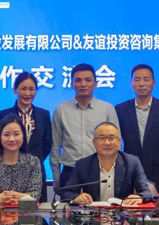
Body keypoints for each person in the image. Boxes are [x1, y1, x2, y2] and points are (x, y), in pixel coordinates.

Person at [115, 64, 159, 202]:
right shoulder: (121, 109)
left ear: (153, 83)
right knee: (131, 209)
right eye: (137, 79)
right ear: (131, 83)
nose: (141, 84)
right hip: (130, 172)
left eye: (146, 79)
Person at [51, 63, 120, 191]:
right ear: (71, 84)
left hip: (100, 171)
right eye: (78, 80)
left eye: (88, 80)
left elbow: (116, 144)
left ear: (95, 84)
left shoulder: (107, 109)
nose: (83, 84)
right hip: (70, 171)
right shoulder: (61, 110)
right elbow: (55, 146)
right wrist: (56, 177)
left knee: (100, 204)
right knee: (68, 204)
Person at [61, 122, 152, 204]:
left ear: (119, 141)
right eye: (102, 138)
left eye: (111, 138)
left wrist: (140, 197)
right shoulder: (83, 164)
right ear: (94, 143)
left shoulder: (132, 162)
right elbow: (66, 193)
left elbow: (147, 192)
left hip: (123, 214)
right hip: (93, 215)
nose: (107, 143)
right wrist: (76, 198)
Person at [0, 72, 52, 202]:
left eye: (31, 89)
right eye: (23, 88)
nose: (27, 93)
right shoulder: (4, 114)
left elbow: (47, 143)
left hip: (36, 171)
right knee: (9, 207)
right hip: (8, 171)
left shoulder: (44, 114)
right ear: (15, 89)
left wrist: (32, 162)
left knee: (36, 209)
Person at [0, 114, 42, 204]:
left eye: (16, 134)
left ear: (23, 136)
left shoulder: (33, 162)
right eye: (6, 135)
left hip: (24, 211)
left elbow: (35, 194)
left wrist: (18, 197)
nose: (12, 139)